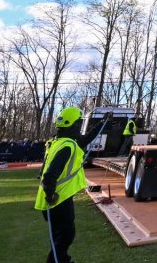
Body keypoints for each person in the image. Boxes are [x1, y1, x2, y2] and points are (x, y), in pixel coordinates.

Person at [35, 106, 110, 263]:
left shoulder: (59, 142)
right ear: (73, 125)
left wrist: (103, 122)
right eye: (79, 124)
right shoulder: (68, 147)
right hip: (57, 199)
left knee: (59, 237)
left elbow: (87, 138)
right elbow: (49, 175)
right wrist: (51, 194)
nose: (80, 127)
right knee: (65, 235)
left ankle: (63, 260)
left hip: (55, 198)